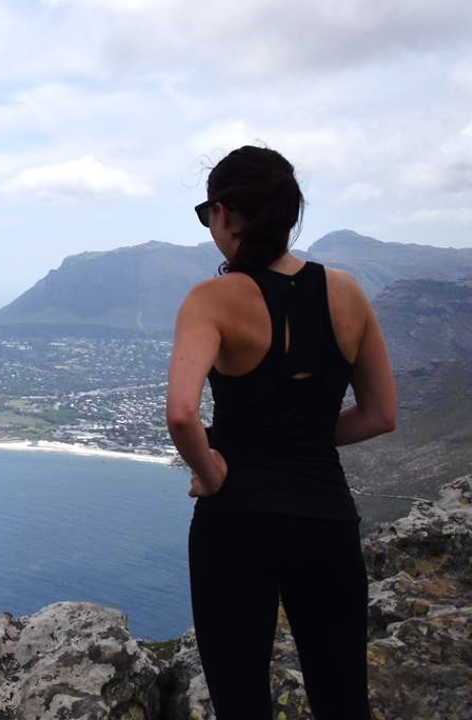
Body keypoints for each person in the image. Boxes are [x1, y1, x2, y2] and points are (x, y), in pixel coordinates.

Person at [166, 145, 396, 719]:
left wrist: (211, 468)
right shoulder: (347, 293)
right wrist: (306, 439)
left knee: (241, 701)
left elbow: (181, 414)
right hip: (326, 521)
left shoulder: (211, 299)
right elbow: (379, 415)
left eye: (206, 215)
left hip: (236, 526)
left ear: (224, 213)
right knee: (343, 699)